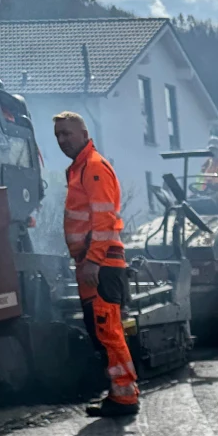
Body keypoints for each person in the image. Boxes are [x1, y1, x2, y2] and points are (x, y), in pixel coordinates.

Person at [54, 112, 139, 419]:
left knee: (108, 330)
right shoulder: (79, 169)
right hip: (91, 264)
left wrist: (92, 260)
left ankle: (125, 397)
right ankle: (118, 392)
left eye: (67, 134)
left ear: (83, 133)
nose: (62, 140)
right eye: (58, 136)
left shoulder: (92, 168)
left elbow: (103, 220)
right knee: (101, 331)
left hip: (99, 264)